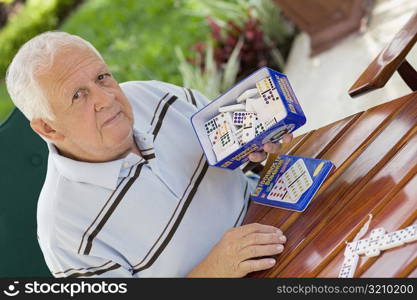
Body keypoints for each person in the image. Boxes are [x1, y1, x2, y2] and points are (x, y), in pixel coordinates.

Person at [6, 31, 291, 278]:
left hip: (278, 219)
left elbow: (235, 154)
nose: (107, 99)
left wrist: (254, 148)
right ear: (48, 127)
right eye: (78, 95)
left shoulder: (153, 97)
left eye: (102, 77)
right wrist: (213, 271)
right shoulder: (65, 232)